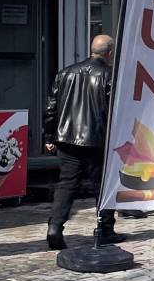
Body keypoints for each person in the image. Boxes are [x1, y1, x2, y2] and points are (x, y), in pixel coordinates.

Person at [43, 34, 126, 250]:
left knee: (67, 184)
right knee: (103, 186)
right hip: (97, 141)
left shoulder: (65, 73)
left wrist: (49, 137)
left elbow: (51, 108)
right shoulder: (109, 75)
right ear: (109, 53)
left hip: (68, 139)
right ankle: (105, 229)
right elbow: (113, 111)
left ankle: (55, 227)